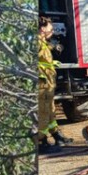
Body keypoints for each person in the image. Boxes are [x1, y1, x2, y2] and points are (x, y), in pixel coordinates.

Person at [37, 14, 72, 154]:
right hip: (41, 84)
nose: (52, 32)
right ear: (42, 29)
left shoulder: (42, 42)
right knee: (42, 111)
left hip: (47, 84)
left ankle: (55, 134)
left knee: (50, 110)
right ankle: (41, 142)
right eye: (50, 29)